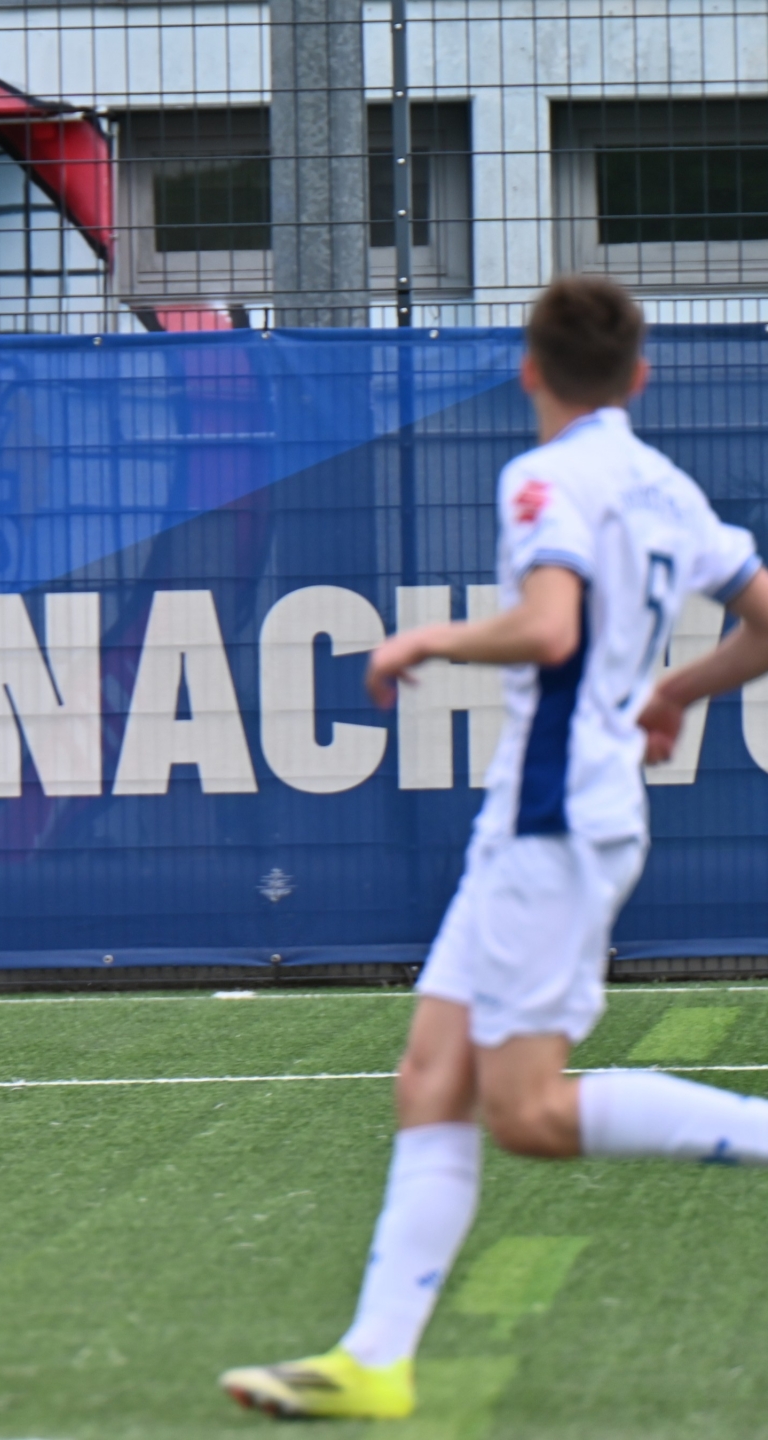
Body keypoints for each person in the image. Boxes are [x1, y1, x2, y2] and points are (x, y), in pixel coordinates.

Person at [220, 275, 768, 1420]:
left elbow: (549, 626)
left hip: (556, 819)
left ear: (528, 368)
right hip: (549, 817)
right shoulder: (665, 486)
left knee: (523, 1112)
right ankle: (375, 1358)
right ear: (640, 376)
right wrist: (679, 686)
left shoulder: (546, 477)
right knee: (430, 1078)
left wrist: (427, 636)